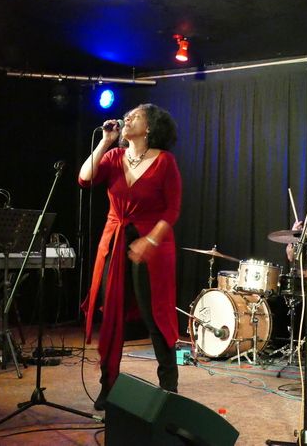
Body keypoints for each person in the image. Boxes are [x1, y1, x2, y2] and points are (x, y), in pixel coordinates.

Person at [78, 104, 182, 411]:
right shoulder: (113, 157)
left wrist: (150, 240)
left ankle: (169, 388)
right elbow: (84, 178)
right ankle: (108, 385)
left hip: (154, 244)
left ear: (149, 127)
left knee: (156, 315)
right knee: (112, 314)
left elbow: (173, 210)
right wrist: (105, 142)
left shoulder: (165, 161)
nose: (128, 118)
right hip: (116, 239)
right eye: (128, 115)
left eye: (135, 115)